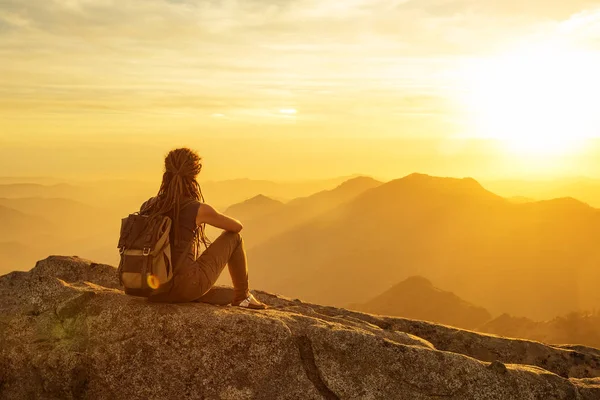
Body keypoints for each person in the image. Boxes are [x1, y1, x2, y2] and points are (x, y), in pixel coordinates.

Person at [140, 147, 267, 309]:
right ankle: (243, 297)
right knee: (233, 238)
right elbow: (236, 227)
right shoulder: (197, 209)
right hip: (184, 287)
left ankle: (194, 293)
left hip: (152, 288)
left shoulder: (148, 205)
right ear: (194, 175)